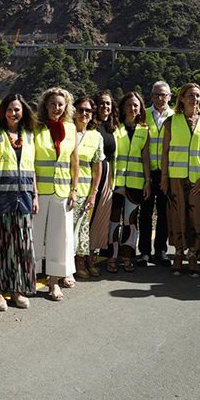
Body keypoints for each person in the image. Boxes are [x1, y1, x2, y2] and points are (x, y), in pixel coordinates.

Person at [0, 94, 39, 310]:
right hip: (0, 200)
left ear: (23, 111)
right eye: (9, 109)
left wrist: (35, 195)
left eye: (17, 109)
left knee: (21, 246)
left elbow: (31, 168)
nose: (13, 113)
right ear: (3, 111)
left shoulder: (29, 136)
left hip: (23, 199)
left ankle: (16, 288)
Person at [160, 83, 200, 277]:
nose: (195, 99)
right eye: (191, 96)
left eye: (198, 96)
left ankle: (192, 254)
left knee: (197, 217)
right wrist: (164, 178)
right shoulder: (171, 121)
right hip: (176, 177)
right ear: (182, 99)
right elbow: (165, 152)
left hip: (199, 179)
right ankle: (178, 253)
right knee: (177, 216)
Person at [32, 87, 79, 301]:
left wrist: (74, 190)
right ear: (45, 105)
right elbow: (30, 161)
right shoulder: (35, 127)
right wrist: (33, 191)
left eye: (61, 104)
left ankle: (53, 282)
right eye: (52, 104)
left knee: (59, 239)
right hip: (39, 193)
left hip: (62, 192)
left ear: (66, 107)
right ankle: (30, 278)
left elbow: (74, 162)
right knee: (34, 236)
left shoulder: (71, 128)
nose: (56, 108)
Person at [109, 92, 152, 273]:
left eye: (136, 105)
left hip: (136, 183)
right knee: (113, 221)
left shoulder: (144, 130)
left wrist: (148, 182)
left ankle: (127, 257)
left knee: (131, 222)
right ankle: (111, 257)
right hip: (116, 183)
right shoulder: (115, 128)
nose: (132, 108)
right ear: (122, 107)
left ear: (140, 109)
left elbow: (145, 158)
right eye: (129, 105)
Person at [139, 80, 174, 266]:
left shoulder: (175, 116)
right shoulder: (143, 115)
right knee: (145, 213)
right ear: (151, 96)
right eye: (156, 94)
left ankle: (161, 250)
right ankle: (144, 252)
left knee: (164, 212)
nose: (160, 98)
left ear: (170, 96)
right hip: (147, 171)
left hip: (167, 172)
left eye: (163, 95)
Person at [72, 96, 104, 280]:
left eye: (88, 111)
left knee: (82, 228)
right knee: (66, 231)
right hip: (64, 188)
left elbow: (97, 167)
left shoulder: (96, 136)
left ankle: (81, 261)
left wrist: (94, 193)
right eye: (81, 109)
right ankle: (66, 265)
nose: (84, 113)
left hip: (84, 190)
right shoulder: (67, 132)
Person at [88, 90, 118, 274]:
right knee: (88, 218)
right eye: (101, 103)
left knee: (100, 219)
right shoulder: (90, 126)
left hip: (107, 179)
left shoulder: (112, 128)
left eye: (108, 103)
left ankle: (91, 256)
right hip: (90, 177)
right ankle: (81, 259)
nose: (105, 106)